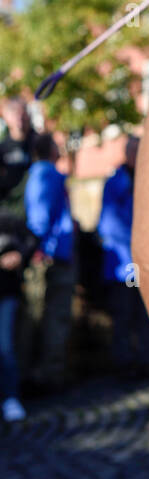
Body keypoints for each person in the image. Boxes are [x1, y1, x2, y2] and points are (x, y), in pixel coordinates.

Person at [98, 136, 149, 377]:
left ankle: (147, 360)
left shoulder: (146, 178)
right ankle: (125, 363)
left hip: (144, 262)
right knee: (125, 313)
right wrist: (139, 242)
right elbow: (110, 224)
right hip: (126, 264)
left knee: (146, 313)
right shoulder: (117, 181)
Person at [24, 132, 76, 391]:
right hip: (51, 257)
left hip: (52, 254)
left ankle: (44, 373)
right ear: (50, 150)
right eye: (57, 145)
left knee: (47, 317)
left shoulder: (42, 174)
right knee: (53, 318)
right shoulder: (46, 174)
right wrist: (38, 246)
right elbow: (40, 216)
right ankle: (47, 376)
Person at [0, 97, 38, 419]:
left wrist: (20, 255)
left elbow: (26, 233)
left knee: (9, 343)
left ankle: (14, 394)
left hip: (10, 282)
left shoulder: (10, 213)